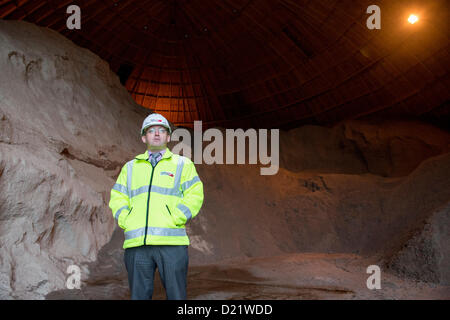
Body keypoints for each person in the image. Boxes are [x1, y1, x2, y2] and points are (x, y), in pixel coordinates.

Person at [109, 113, 204, 300]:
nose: (157, 134)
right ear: (144, 137)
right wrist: (126, 220)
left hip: (171, 245)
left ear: (168, 137)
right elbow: (118, 196)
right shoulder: (130, 168)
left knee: (177, 296)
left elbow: (195, 194)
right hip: (137, 245)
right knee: (139, 297)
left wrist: (175, 218)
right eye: (151, 130)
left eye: (162, 130)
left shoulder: (182, 165)